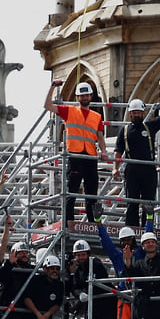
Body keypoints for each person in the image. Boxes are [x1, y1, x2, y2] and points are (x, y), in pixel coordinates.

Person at [45, 80, 110, 222]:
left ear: (91, 96)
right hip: (75, 155)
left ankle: (93, 223)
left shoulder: (96, 116)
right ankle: (69, 222)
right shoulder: (69, 111)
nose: (84, 98)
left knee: (92, 192)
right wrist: (52, 87)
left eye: (86, 95)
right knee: (71, 191)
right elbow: (48, 106)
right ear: (78, 98)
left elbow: (100, 136)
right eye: (82, 96)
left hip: (91, 156)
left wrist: (103, 151)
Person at [114, 85, 160, 227]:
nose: (137, 115)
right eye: (134, 112)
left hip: (148, 170)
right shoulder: (124, 131)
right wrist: (115, 168)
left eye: (139, 112)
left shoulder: (150, 127)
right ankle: (131, 229)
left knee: (149, 203)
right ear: (130, 114)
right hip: (132, 170)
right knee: (132, 202)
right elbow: (118, 151)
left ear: (143, 113)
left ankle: (147, 228)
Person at [65, 240, 116, 319]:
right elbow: (75, 287)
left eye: (83, 254)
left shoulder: (96, 265)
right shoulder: (78, 270)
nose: (81, 257)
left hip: (106, 309)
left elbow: (100, 285)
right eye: (78, 255)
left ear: (88, 254)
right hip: (91, 310)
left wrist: (85, 293)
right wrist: (80, 294)